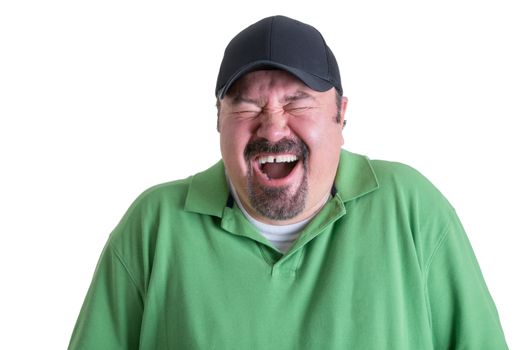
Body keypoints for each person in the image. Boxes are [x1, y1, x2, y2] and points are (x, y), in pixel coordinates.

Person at [68, 15, 508, 349]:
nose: (273, 128)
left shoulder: (413, 211)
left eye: (298, 102)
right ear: (218, 121)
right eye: (247, 106)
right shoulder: (153, 226)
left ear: (342, 114)